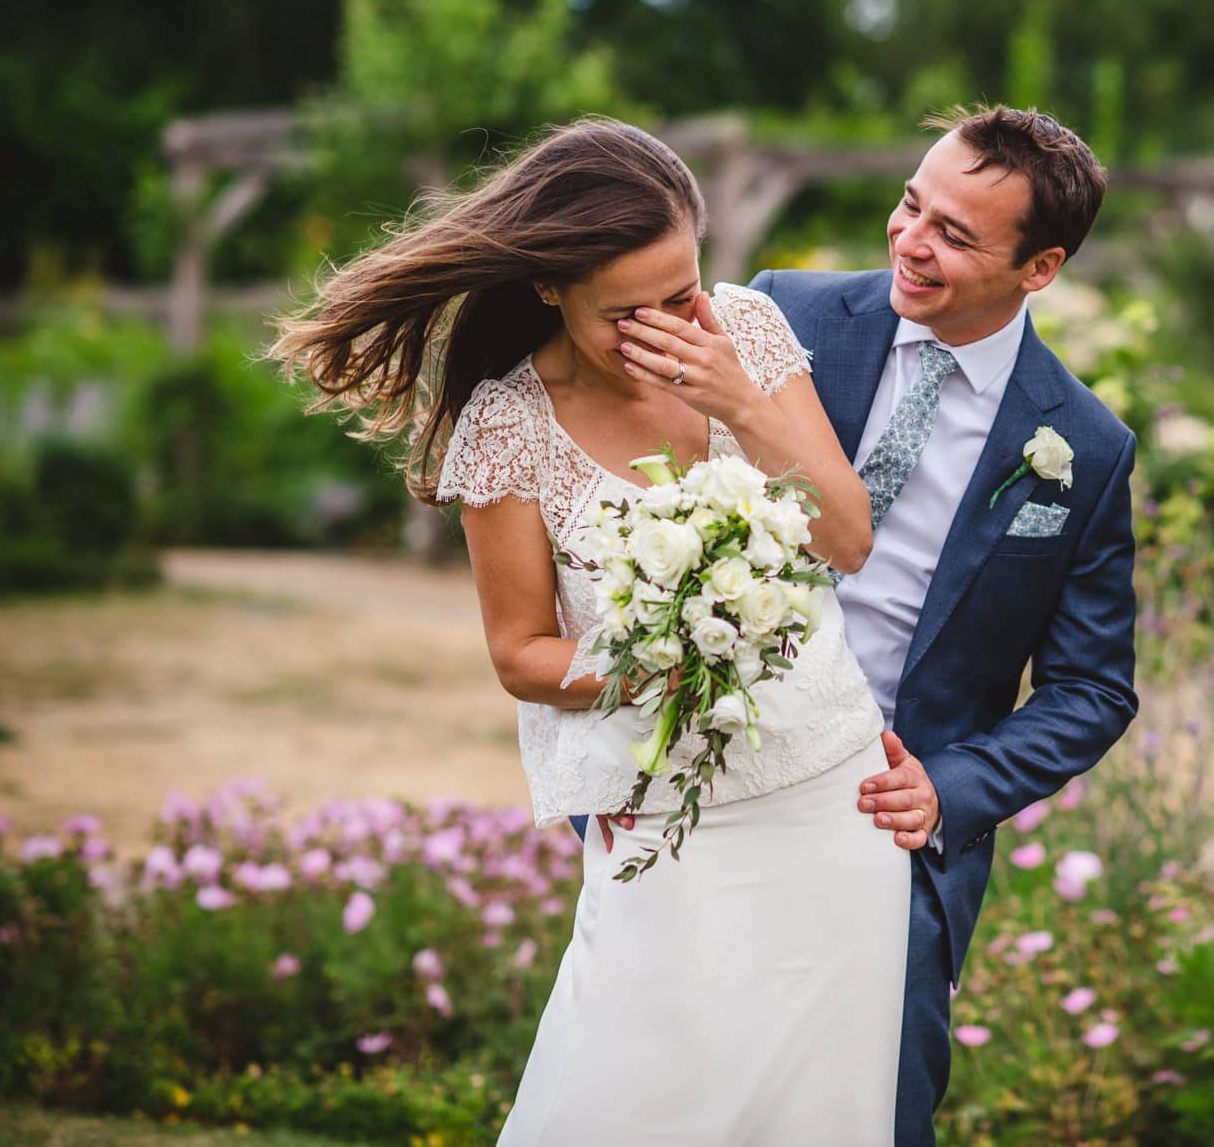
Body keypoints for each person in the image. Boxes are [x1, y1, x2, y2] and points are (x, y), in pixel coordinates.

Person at [269, 118, 909, 1144]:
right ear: (549, 288)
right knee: (620, 1099)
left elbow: (845, 536)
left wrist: (739, 401)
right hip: (666, 823)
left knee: (818, 1112)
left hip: (829, 805)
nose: (660, 329)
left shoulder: (741, 336)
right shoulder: (510, 425)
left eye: (681, 294)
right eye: (624, 312)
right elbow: (520, 654)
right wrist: (662, 655)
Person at [754, 105, 1140, 1146]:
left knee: (869, 1118)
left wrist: (949, 789)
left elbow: (1093, 689)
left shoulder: (1083, 447)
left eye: (954, 235)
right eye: (909, 205)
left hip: (889, 826)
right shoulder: (781, 318)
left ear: (1039, 268)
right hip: (721, 780)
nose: (908, 242)